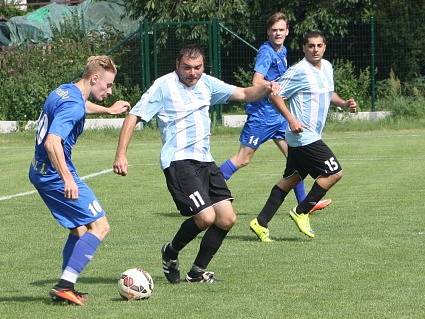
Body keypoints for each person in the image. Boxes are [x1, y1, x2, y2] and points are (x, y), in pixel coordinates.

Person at [113, 44, 280, 284]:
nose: (193, 73)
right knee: (205, 217)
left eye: (198, 67)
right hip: (179, 160)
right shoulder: (163, 86)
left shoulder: (207, 84)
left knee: (227, 219)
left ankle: (196, 273)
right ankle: (170, 252)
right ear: (177, 65)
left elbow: (244, 94)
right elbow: (134, 116)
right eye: (187, 68)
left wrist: (265, 88)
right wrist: (121, 154)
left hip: (206, 162)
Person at [218, 13, 331, 242]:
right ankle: (211, 190)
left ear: (287, 31)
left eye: (281, 30)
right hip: (261, 116)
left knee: (297, 159)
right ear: (268, 33)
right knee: (243, 159)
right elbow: (256, 81)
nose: (278, 34)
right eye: (274, 30)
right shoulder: (266, 52)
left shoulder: (284, 51)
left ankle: (303, 206)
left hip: (278, 116)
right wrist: (272, 85)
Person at [29, 56, 130, 305]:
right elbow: (53, 141)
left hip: (40, 170)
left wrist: (108, 110)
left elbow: (80, 105)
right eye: (107, 85)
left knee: (80, 229)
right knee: (100, 226)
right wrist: (67, 179)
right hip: (54, 174)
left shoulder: (65, 91)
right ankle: (65, 285)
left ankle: (66, 287)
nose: (109, 90)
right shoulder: (73, 104)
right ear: (94, 78)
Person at [252, 30, 357, 239]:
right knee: (335, 172)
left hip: (307, 136)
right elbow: (274, 94)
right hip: (303, 136)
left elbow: (329, 93)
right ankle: (302, 211)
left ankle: (260, 222)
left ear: (325, 47)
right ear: (304, 48)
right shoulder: (299, 70)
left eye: (319, 45)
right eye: (311, 46)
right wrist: (291, 119)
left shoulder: (327, 67)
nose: (315, 49)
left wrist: (344, 103)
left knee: (291, 179)